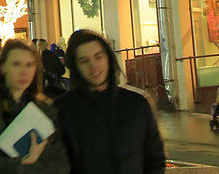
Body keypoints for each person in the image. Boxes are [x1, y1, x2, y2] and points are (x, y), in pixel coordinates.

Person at [55, 29, 165, 173]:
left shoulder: (137, 104)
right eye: (84, 61)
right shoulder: (63, 110)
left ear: (108, 58)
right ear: (75, 67)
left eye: (98, 57)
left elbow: (155, 158)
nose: (93, 65)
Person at [0, 39, 69, 173]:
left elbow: (60, 163)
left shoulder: (45, 109)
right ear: (3, 67)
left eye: (29, 65)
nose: (23, 72)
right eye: (16, 64)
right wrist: (22, 163)